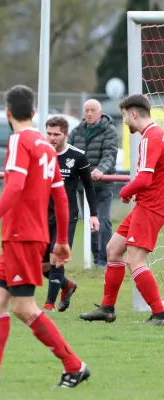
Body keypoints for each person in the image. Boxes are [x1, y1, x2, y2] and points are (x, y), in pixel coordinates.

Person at [0, 85, 89, 388]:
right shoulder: (46, 146)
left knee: (23, 307)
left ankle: (74, 366)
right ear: (33, 113)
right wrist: (61, 241)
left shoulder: (19, 141)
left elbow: (15, 186)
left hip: (21, 234)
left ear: (8, 113)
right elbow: (60, 197)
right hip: (29, 235)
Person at [80, 94, 164, 325]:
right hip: (147, 205)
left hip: (151, 206)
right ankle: (107, 308)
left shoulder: (151, 137)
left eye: (125, 116)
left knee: (135, 260)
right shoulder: (154, 134)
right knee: (114, 248)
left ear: (133, 113)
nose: (125, 121)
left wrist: (126, 192)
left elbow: (145, 179)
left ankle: (159, 313)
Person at [42, 117, 99, 312]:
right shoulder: (39, 154)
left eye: (56, 134)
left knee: (56, 258)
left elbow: (89, 187)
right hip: (42, 216)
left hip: (66, 216)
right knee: (41, 266)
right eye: (49, 133)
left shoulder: (78, 156)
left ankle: (48, 305)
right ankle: (67, 286)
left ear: (66, 135)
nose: (52, 138)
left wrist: (93, 214)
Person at [68, 99, 118, 268]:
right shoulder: (77, 131)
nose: (89, 114)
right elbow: (69, 152)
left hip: (102, 186)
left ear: (100, 112)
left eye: (93, 110)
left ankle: (105, 259)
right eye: (86, 110)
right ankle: (97, 259)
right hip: (83, 187)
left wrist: (101, 170)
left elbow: (110, 154)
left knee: (102, 221)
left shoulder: (109, 131)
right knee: (90, 223)